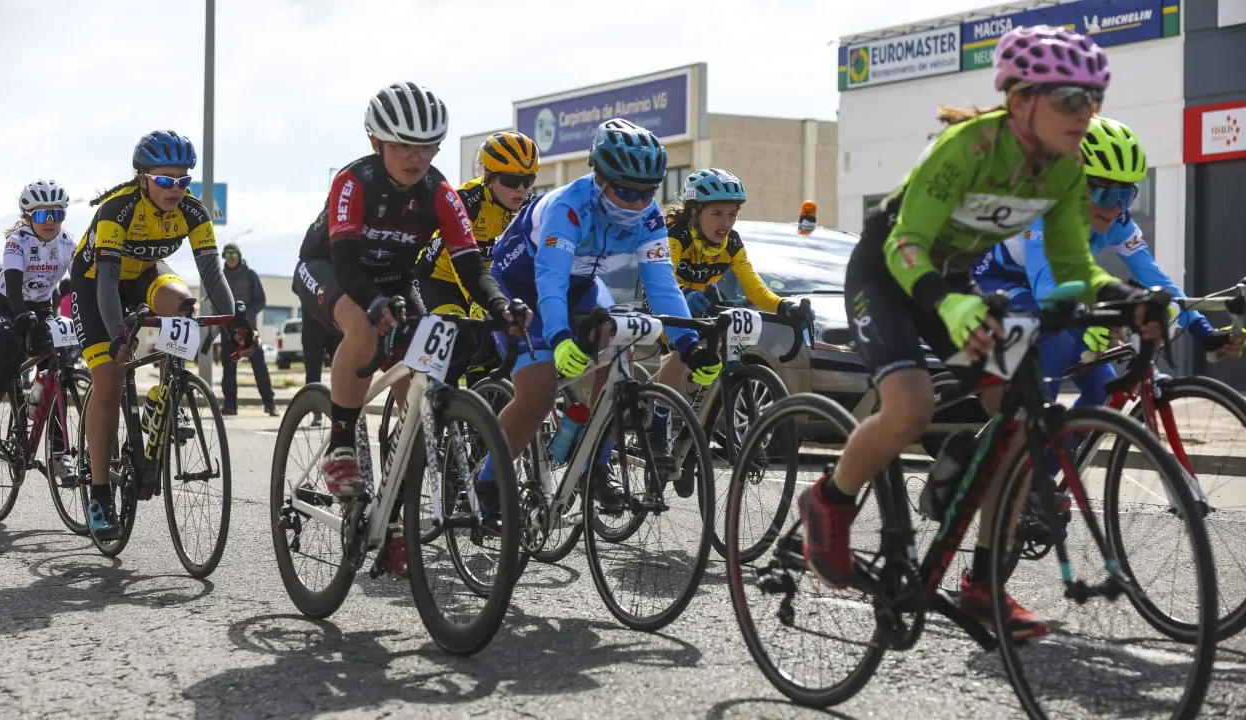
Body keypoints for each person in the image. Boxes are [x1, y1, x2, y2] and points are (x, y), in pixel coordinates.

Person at [798, 25, 1163, 641]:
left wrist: (1125, 299)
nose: (1086, 112)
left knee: (1018, 413)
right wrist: (949, 305)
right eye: (1072, 98)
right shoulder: (968, 148)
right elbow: (907, 243)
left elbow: (1073, 266)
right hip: (889, 272)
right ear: (1021, 100)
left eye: (1094, 99)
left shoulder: (1064, 172)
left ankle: (983, 584)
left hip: (954, 281)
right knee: (911, 406)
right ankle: (829, 500)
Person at [475, 118, 724, 518]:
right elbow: (550, 280)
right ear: (600, 178)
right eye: (625, 191)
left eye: (647, 192)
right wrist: (559, 338)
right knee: (538, 393)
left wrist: (689, 345)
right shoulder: (568, 208)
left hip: (581, 285)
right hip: (522, 285)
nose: (637, 203)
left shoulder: (649, 217)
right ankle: (486, 482)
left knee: (622, 364)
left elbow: (662, 285)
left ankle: (595, 466)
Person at [292, 82, 522, 502]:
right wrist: (374, 302)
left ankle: (394, 508)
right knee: (363, 326)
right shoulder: (353, 181)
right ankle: (341, 447)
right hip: (329, 268)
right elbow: (346, 264)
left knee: (421, 386)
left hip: (393, 280)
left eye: (428, 147)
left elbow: (471, 267)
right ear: (376, 143)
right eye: (403, 146)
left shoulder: (440, 193)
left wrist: (501, 305)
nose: (416, 158)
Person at [973, 115, 1245, 404]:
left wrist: (1205, 334)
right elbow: (1046, 289)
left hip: (1052, 286)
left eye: (1125, 196)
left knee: (1104, 390)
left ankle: (1068, 435)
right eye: (1105, 194)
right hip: (995, 279)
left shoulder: (1119, 222)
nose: (1115, 208)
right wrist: (1094, 314)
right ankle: (1034, 427)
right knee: (1055, 339)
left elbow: (1156, 280)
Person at [72, 130, 257, 541]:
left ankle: (165, 392)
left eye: (183, 180)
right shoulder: (117, 210)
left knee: (184, 305)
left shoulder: (193, 210)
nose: (176, 188)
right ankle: (99, 494)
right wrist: (118, 333)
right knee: (109, 380)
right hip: (96, 283)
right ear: (143, 179)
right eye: (166, 180)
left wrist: (236, 322)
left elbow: (212, 273)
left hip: (144, 275)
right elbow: (107, 281)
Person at [643, 168, 809, 476]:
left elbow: (755, 289)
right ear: (695, 212)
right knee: (683, 349)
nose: (726, 222)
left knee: (718, 353)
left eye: (732, 214)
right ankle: (658, 420)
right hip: (663, 302)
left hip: (699, 306)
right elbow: (663, 282)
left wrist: (784, 306)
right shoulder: (675, 236)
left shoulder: (731, 242)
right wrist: (685, 297)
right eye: (717, 213)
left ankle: (692, 433)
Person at [0, 180, 78, 482]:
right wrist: (20, 312)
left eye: (57, 214)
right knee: (13, 353)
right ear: (29, 216)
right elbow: (13, 282)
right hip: (3, 306)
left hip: (42, 307)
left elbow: (83, 284)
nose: (51, 221)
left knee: (58, 366)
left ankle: (58, 451)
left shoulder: (67, 244)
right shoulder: (17, 241)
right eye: (43, 215)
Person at [415, 131, 539, 319]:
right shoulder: (465, 201)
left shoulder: (529, 207)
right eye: (511, 180)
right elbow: (459, 259)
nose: (521, 189)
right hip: (437, 279)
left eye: (528, 180)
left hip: (484, 281)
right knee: (456, 330)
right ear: (488, 175)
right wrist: (475, 298)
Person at [219, 241, 276, 416]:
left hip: (249, 330)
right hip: (228, 331)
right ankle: (230, 406)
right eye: (228, 255)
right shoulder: (219, 276)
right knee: (229, 370)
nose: (231, 258)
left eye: (234, 254)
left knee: (259, 368)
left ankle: (270, 404)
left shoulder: (250, 275)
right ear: (224, 257)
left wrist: (245, 315)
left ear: (239, 256)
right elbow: (215, 300)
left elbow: (261, 300)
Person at [301, 310, 342, 427]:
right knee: (313, 372)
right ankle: (316, 413)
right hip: (312, 326)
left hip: (335, 325)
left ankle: (340, 413)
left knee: (341, 372)